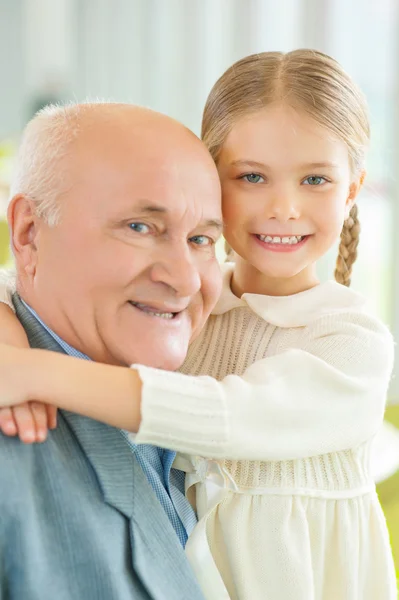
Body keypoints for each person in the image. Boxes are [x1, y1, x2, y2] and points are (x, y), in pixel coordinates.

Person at [0, 50, 396, 600]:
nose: (283, 207)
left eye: (315, 180)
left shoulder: (351, 346)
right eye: (253, 176)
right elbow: (14, 278)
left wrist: (30, 372)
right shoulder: (189, 316)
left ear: (352, 188)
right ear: (214, 181)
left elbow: (224, 414)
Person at [0, 102, 224, 600]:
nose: (185, 278)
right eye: (140, 227)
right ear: (29, 234)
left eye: (202, 239)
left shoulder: (227, 381)